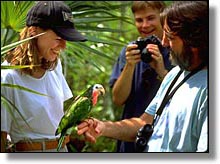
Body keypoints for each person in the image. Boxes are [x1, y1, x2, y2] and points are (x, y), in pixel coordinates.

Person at [77, 1, 208, 152]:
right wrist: (104, 127)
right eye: (139, 20)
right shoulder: (176, 74)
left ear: (194, 40)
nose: (164, 43)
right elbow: (143, 122)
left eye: (170, 37)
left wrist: (160, 69)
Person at [1, 1, 87, 152]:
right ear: (34, 31)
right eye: (59, 37)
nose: (64, 46)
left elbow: (63, 113)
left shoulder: (54, 66)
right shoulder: (8, 76)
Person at [109, 1, 173, 152]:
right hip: (130, 140)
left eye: (151, 18)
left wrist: (162, 71)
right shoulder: (130, 50)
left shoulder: (174, 49)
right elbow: (118, 99)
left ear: (162, 17)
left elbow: (185, 97)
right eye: (139, 20)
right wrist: (130, 65)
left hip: (165, 140)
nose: (145, 25)